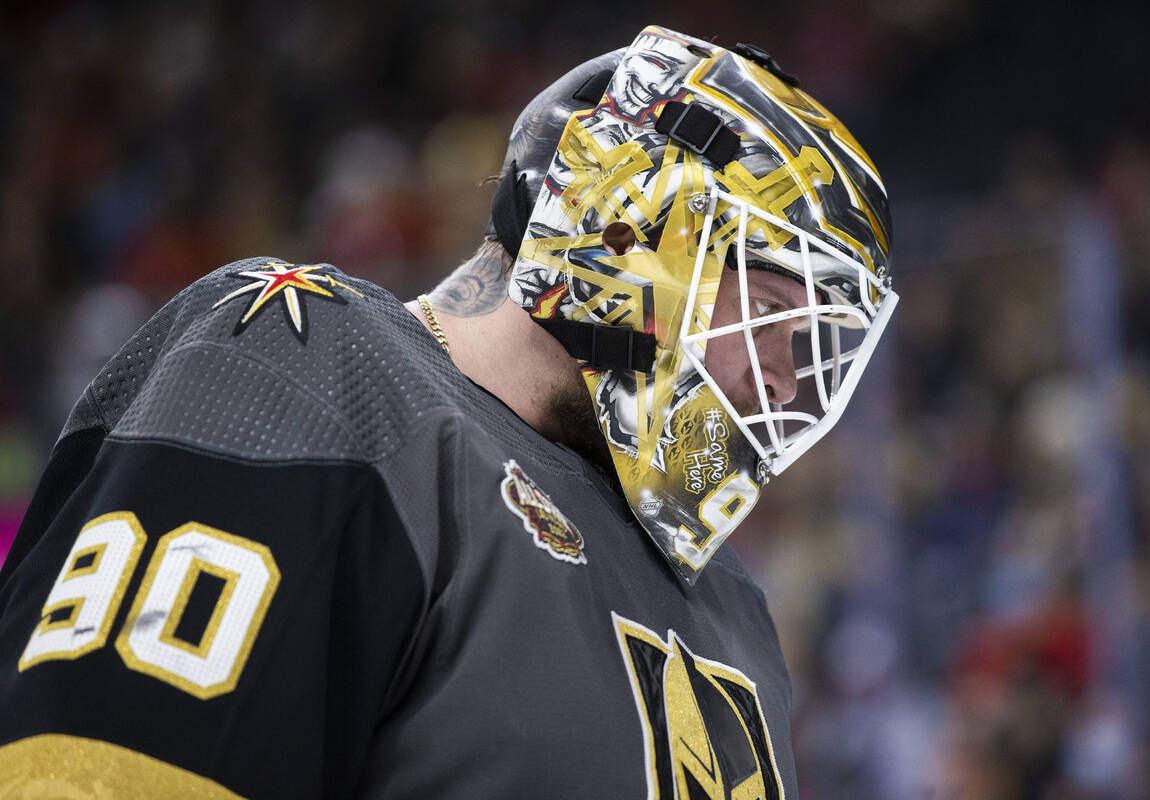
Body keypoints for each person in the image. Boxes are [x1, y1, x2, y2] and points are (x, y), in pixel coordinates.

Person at [0, 25, 895, 799]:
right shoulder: (312, 361)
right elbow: (97, 767)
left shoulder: (732, 604)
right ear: (629, 219)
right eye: (777, 314)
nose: (786, 383)